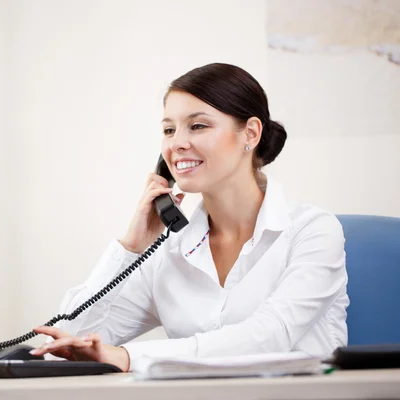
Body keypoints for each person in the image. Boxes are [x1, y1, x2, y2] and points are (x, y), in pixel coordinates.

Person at [30, 63, 349, 372]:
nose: (177, 144)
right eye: (169, 129)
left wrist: (128, 357)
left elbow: (269, 337)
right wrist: (130, 248)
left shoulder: (312, 231)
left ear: (250, 133)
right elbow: (67, 342)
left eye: (197, 126)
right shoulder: (168, 251)